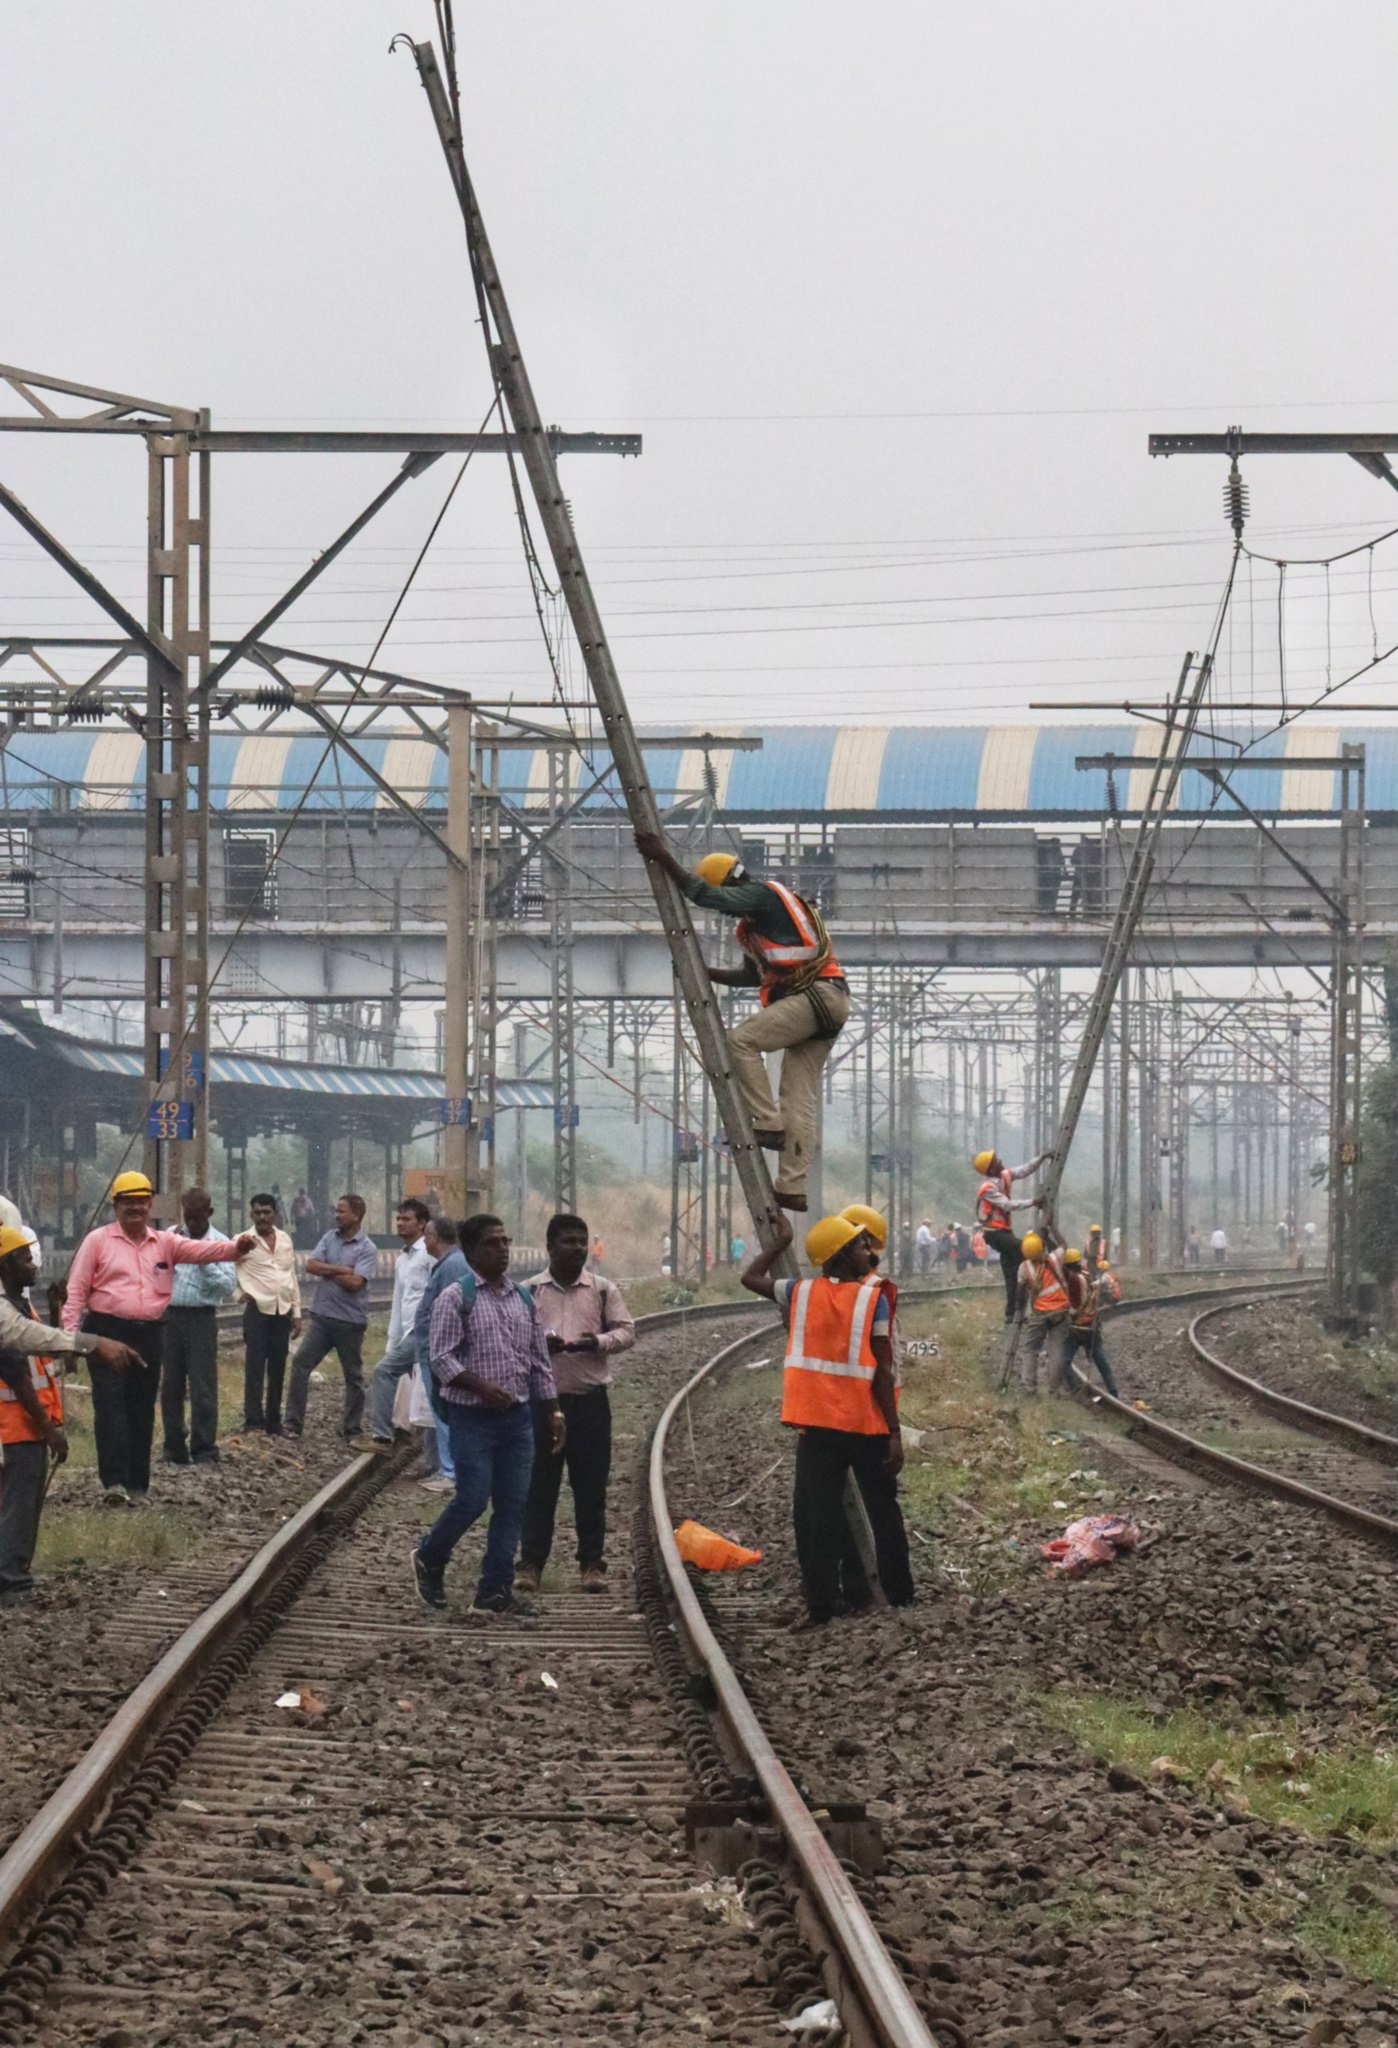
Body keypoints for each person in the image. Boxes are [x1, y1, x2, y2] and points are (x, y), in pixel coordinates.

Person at [634, 832, 849, 1213]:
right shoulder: (752, 927)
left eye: (729, 899)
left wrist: (663, 857)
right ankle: (792, 1186)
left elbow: (707, 895)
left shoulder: (762, 894)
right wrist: (704, 972)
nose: (728, 911)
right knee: (798, 1097)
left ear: (734, 881)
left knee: (740, 1042)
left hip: (817, 995)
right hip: (827, 1001)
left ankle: (766, 1122)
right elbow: (753, 976)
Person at [742, 1213, 911, 1630]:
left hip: (817, 1427)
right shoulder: (875, 1300)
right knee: (882, 1510)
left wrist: (781, 1242)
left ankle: (821, 1603)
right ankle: (898, 1595)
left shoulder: (799, 1292)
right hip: (864, 1425)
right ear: (837, 1256)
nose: (866, 1252)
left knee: (816, 1517)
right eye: (857, 1246)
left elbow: (751, 1277)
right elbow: (883, 1371)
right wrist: (894, 1431)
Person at [62, 1172, 254, 1505]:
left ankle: (138, 1485)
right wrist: (69, 1339)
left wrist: (237, 1248)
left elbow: (202, 1251)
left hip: (149, 1334)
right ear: (115, 1206)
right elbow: (76, 1290)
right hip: (106, 1331)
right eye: (127, 1202)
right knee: (109, 1407)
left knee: (141, 1408)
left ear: (150, 1205)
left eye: (141, 1201)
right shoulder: (98, 1241)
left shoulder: (165, 1242)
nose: (135, 1208)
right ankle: (114, 1483)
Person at [412, 1214, 565, 1615]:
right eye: (493, 1243)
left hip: (517, 1421)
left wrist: (552, 1411)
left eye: (505, 1241)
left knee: (513, 1504)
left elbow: (537, 1362)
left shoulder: (522, 1298)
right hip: (472, 1420)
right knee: (473, 1498)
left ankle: (493, 1592)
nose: (503, 1249)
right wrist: (481, 1386)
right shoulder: (456, 1297)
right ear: (472, 1251)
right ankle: (430, 1556)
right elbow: (440, 1357)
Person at [519, 1212, 636, 1595]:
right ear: (550, 1247)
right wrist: (541, 1345)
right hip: (541, 1404)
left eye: (582, 1241)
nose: (578, 1249)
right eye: (568, 1242)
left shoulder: (603, 1290)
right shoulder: (529, 1291)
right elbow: (513, 1339)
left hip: (589, 1404)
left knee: (591, 1486)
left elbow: (627, 1332)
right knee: (540, 1485)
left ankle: (591, 1564)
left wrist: (597, 1342)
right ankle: (531, 1563)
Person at [0, 1226, 70, 1599]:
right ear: (9, 1263)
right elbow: (16, 1374)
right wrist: (47, 1429)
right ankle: (12, 1582)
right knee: (19, 1505)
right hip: (17, 1426)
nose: (33, 1264)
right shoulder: (5, 1315)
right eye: (26, 1258)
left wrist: (57, 1310)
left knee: (20, 1503)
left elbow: (49, 1356)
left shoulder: (21, 1307)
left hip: (28, 1425)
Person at [282, 1194, 379, 1441]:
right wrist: (340, 1269)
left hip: (350, 1322)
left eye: (342, 1211)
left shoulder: (367, 1248)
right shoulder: (329, 1237)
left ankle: (351, 1428)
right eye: (337, 1210)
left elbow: (355, 1283)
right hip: (323, 1318)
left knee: (353, 1376)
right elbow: (311, 1266)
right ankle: (293, 1424)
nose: (337, 1215)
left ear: (357, 1215)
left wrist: (328, 1270)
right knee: (301, 1364)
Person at [160, 1189, 237, 1467]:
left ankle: (204, 1448)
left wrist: (202, 1260)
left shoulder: (221, 1243)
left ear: (209, 1213)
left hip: (202, 1318)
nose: (191, 1224)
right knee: (170, 1386)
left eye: (197, 1218)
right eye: (188, 1218)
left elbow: (228, 1286)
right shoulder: (171, 1236)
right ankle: (173, 1447)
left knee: (203, 1386)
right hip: (171, 1317)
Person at [365, 1198, 433, 1448]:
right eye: (398, 1219)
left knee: (384, 1372)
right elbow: (398, 1302)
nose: (400, 1224)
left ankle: (382, 1436)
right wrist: (392, 1343)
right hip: (408, 1332)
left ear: (423, 1223)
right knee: (415, 1382)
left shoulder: (429, 1254)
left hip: (424, 1330)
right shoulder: (402, 1260)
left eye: (407, 1219)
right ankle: (404, 1431)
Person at [238, 1192, 301, 1436]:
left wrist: (296, 1311)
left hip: (282, 1311)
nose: (263, 1217)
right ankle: (253, 1421)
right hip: (257, 1312)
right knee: (254, 1366)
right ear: (251, 1214)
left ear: (275, 1214)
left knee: (277, 1367)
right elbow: (226, 1266)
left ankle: (274, 1422)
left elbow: (291, 1275)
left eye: (267, 1212)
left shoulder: (285, 1239)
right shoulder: (242, 1240)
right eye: (258, 1213)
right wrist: (238, 1294)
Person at [411, 1215, 467, 1494]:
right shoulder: (448, 1264)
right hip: (432, 1349)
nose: (424, 1240)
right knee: (441, 1411)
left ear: (438, 1237)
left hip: (439, 1351)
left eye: (428, 1235)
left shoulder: (452, 1265)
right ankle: (448, 1468)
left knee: (445, 1413)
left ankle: (451, 1472)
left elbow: (453, 1309)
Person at [973, 1148, 1052, 1321]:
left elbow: (1024, 1170)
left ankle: (1011, 1313)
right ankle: (1035, 1297)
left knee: (1011, 1272)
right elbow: (1007, 1205)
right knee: (1024, 1252)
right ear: (990, 1167)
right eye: (995, 1159)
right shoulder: (987, 1188)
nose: (1000, 1160)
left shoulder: (1005, 1175)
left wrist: (1041, 1158)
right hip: (994, 1233)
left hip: (1004, 1231)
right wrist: (1033, 1202)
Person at [1012, 1231, 1073, 1397]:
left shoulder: (1023, 1268)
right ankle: (1054, 1390)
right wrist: (1052, 1230)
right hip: (1060, 1313)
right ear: (1041, 1247)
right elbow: (1063, 1245)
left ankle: (1028, 1387)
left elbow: (1020, 1293)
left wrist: (1019, 1311)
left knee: (1031, 1348)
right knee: (1057, 1351)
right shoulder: (1054, 1259)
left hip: (1039, 1314)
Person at [1061, 1247, 1120, 1397]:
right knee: (1101, 1362)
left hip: (1078, 1329)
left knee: (1064, 1361)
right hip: (1092, 1328)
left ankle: (1075, 1391)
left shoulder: (1075, 1279)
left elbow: (1065, 1273)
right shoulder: (1086, 1275)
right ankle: (1113, 1392)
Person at [290, 1187, 317, 1251]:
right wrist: (312, 1218)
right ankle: (305, 1244)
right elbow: (312, 1210)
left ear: (299, 1192)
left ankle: (299, 1244)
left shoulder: (296, 1200)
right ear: (305, 1192)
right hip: (306, 1219)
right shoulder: (308, 1200)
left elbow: (292, 1209)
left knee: (299, 1231)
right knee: (306, 1232)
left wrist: (291, 1218)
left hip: (298, 1219)